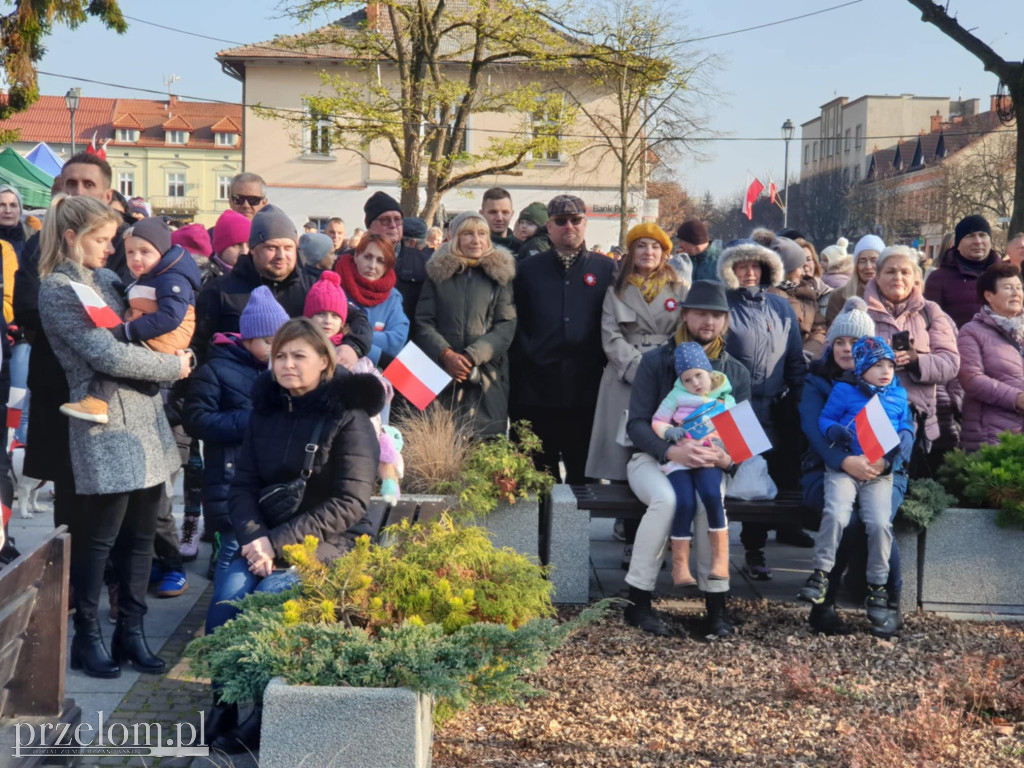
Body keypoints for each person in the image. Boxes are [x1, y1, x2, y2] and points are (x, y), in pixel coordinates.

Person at [205, 317, 382, 753]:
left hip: (330, 540)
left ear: (324, 361)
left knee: (273, 596)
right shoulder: (264, 410)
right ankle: (223, 702)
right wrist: (252, 538)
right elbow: (242, 485)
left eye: (298, 356)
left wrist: (276, 543)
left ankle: (267, 712)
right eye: (280, 355)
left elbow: (351, 502)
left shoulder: (349, 416)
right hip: (260, 535)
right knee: (227, 596)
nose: (286, 364)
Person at [38, 195, 193, 679]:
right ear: (70, 237)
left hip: (143, 419)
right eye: (102, 240)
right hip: (103, 424)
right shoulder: (59, 287)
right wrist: (174, 367)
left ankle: (132, 633)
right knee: (99, 540)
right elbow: (106, 355)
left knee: (143, 537)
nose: (111, 250)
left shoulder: (106, 279)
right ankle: (87, 637)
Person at [622, 280, 751, 637]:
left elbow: (743, 437)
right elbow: (637, 423)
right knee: (667, 500)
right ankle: (639, 600)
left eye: (716, 315)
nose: (708, 321)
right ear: (684, 315)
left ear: (725, 320)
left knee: (710, 501)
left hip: (711, 460)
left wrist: (727, 460)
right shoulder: (657, 361)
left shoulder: (734, 372)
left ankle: (716, 606)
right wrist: (671, 450)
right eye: (700, 313)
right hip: (654, 458)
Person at [799, 297, 907, 637]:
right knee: (848, 518)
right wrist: (844, 460)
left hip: (882, 470)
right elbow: (815, 428)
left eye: (856, 342)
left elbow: (907, 431)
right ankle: (825, 601)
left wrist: (885, 462)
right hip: (828, 468)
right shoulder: (818, 381)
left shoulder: (890, 383)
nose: (847, 348)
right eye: (840, 342)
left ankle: (888, 601)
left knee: (879, 521)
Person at [184, 287, 289, 612]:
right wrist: (253, 420)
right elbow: (197, 420)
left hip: (270, 484)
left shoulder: (281, 371)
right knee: (231, 554)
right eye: (269, 342)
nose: (277, 350)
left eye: (281, 342)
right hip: (229, 481)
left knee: (261, 560)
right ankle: (221, 623)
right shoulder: (215, 369)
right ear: (248, 338)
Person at [718, 239, 808, 576]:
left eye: (755, 266)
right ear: (731, 269)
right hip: (735, 409)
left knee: (769, 479)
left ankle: (755, 552)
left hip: (774, 408)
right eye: (742, 266)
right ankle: (715, 552)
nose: (749, 272)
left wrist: (796, 399)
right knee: (737, 481)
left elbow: (795, 359)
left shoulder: (782, 308)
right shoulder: (723, 305)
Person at [510, 195, 614, 481]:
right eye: (560, 221)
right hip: (535, 391)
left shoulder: (606, 270)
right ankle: (540, 529)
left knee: (583, 477)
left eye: (575, 220)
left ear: (585, 223)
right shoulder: (527, 270)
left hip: (586, 392)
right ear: (549, 226)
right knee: (537, 476)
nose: (569, 226)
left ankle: (576, 528)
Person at [61, 218, 201, 424]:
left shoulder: (172, 279)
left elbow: (170, 317)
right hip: (156, 334)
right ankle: (145, 383)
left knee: (118, 353)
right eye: (130, 252)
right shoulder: (153, 275)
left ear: (161, 251)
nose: (136, 258)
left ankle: (97, 401)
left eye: (145, 252)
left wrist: (129, 330)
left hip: (166, 338)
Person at [196, 205, 371, 362]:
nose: (281, 256)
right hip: (239, 389)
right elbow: (199, 347)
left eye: (288, 248)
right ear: (253, 249)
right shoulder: (219, 291)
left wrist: (352, 347)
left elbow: (358, 318)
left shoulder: (313, 287)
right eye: (271, 248)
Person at [585, 222, 686, 486]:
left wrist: (663, 368)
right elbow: (610, 336)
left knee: (663, 445)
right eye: (641, 245)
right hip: (624, 377)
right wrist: (640, 369)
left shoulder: (679, 291)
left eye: (655, 247)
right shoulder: (615, 292)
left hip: (667, 376)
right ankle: (623, 522)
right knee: (623, 449)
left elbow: (684, 334)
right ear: (630, 252)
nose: (648, 252)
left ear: (665, 253)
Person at [415, 211, 516, 437]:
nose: (476, 239)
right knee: (440, 443)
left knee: (484, 449)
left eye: (482, 233)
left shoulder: (500, 276)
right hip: (440, 374)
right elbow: (423, 322)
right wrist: (446, 354)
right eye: (468, 233)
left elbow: (506, 325)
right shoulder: (437, 273)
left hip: (486, 375)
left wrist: (471, 356)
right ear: (455, 237)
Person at [652, 342, 735, 585]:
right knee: (684, 502)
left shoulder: (725, 398)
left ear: (709, 372)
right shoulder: (676, 396)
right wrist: (669, 433)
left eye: (699, 375)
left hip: (709, 458)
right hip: (681, 458)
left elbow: (739, 434)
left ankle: (720, 561)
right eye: (687, 380)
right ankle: (680, 568)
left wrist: (724, 454)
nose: (695, 383)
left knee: (711, 495)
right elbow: (657, 420)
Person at [863, 245, 960, 450]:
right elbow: (837, 359)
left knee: (914, 481)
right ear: (877, 276)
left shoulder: (930, 311)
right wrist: (876, 361)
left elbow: (951, 363)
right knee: (874, 477)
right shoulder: (859, 311)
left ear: (915, 277)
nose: (898, 277)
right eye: (890, 271)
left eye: (905, 272)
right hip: (870, 418)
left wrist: (916, 361)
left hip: (920, 422)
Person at [957, 262, 1024, 452]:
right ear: (989, 295)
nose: (1016, 293)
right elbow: (972, 379)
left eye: (1019, 287)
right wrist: (1016, 398)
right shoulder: (971, 332)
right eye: (1008, 288)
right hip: (990, 434)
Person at [335, 232, 409, 368]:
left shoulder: (392, 297)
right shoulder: (335, 287)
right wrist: (376, 348)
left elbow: (397, 341)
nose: (372, 266)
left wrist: (354, 339)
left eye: (380, 261)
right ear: (356, 256)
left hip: (376, 377)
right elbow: (326, 334)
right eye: (368, 257)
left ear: (387, 266)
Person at [359, 192, 429, 323]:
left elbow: (427, 314)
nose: (393, 225)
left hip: (407, 338)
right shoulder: (351, 260)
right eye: (385, 220)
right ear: (370, 226)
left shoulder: (421, 262)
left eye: (397, 219)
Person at [769, 236, 828, 358]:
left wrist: (808, 353)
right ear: (787, 270)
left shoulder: (807, 292)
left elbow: (819, 329)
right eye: (799, 267)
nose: (803, 272)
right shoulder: (770, 297)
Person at [826, 234, 884, 324]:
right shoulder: (839, 296)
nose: (868, 267)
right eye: (862, 261)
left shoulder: (892, 295)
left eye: (874, 260)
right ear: (856, 265)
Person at [671, 219, 720, 284]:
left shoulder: (723, 262)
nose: (680, 246)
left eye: (682, 241)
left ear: (694, 242)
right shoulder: (682, 261)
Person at [209, 209, 250, 278]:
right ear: (221, 248)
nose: (245, 252)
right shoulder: (206, 279)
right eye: (237, 245)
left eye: (249, 245)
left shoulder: (259, 276)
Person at [480, 187, 521, 255]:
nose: (499, 218)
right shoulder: (475, 248)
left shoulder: (523, 249)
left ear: (512, 214)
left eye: (505, 212)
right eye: (493, 212)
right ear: (482, 214)